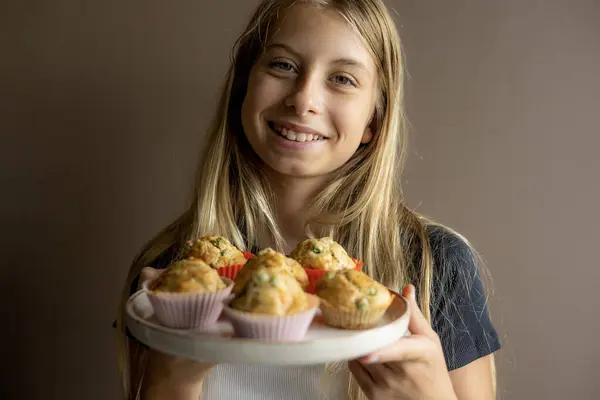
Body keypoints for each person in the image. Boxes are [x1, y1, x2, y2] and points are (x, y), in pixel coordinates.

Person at [115, 0, 501, 399]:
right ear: (244, 87)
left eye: (343, 79)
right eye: (283, 65)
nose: (304, 100)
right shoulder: (168, 275)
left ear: (373, 121)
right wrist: (168, 382)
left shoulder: (436, 266)